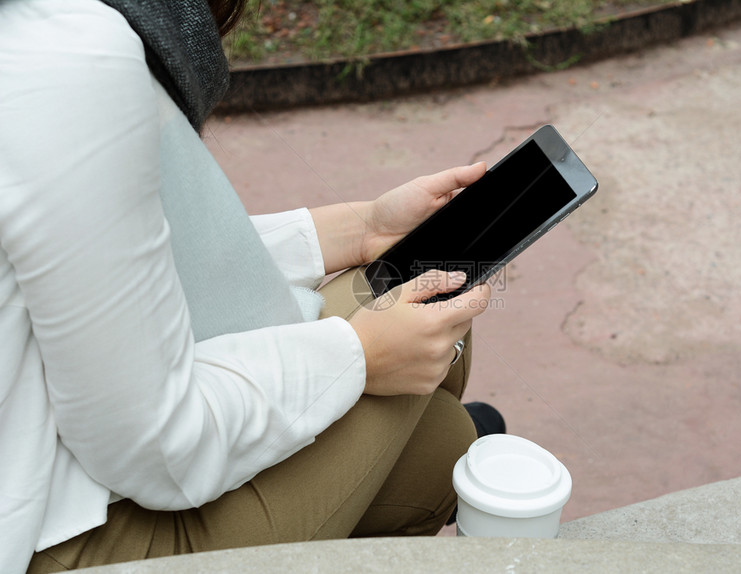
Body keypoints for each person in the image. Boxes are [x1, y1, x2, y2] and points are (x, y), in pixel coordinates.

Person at [0, 1, 503, 572]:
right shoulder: (69, 57)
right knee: (436, 409)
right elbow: (158, 450)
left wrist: (362, 229)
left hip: (46, 433)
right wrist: (359, 357)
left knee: (433, 406)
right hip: (45, 533)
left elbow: (100, 259)